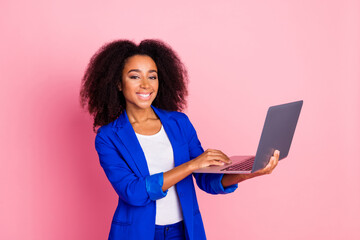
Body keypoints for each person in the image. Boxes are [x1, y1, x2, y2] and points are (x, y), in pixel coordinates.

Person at [80, 39, 279, 240]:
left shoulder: (179, 123)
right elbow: (133, 192)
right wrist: (191, 165)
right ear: (118, 84)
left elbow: (206, 178)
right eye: (134, 76)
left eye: (152, 76)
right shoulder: (108, 137)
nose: (146, 85)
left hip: (183, 232)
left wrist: (248, 173)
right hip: (137, 234)